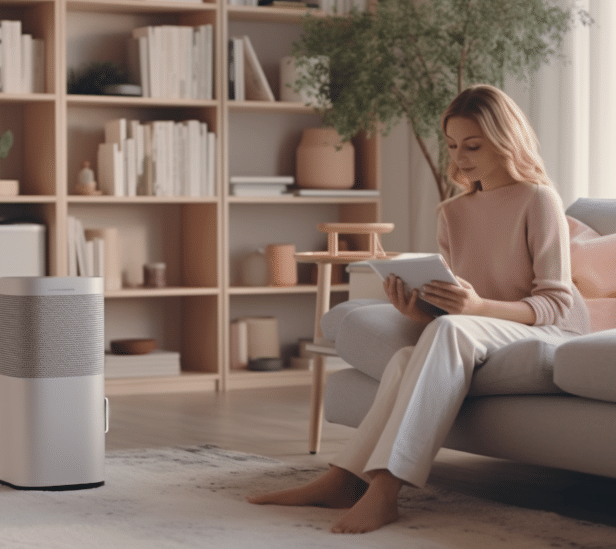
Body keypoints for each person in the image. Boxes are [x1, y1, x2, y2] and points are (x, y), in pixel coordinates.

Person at [247, 84, 591, 534]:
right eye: (452, 145)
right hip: (477, 331)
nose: (461, 157)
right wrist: (421, 310)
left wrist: (477, 307)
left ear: (505, 141)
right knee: (406, 358)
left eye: (473, 145)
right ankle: (343, 479)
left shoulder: (538, 199)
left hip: (546, 331)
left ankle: (386, 489)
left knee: (449, 332)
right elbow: (456, 312)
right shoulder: (453, 212)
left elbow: (556, 303)